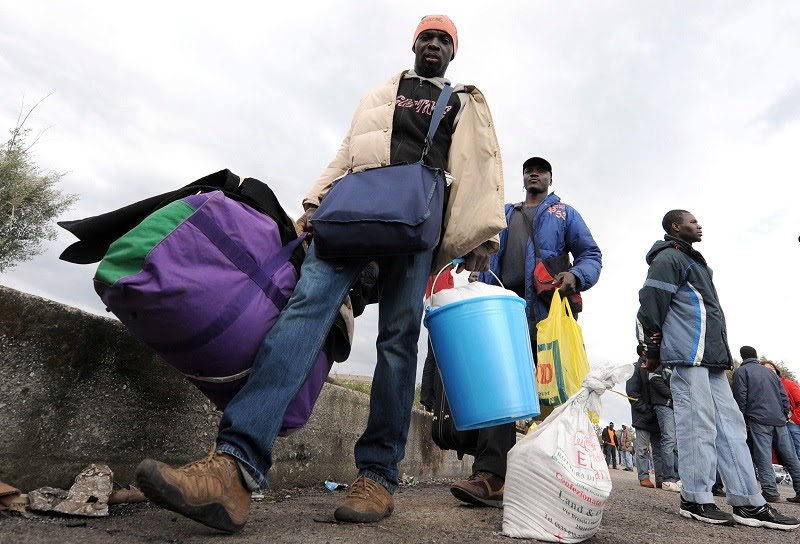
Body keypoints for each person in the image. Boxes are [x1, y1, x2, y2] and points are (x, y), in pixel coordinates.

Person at [134, 14, 506, 532]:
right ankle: (234, 467)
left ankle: (377, 475)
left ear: (453, 52)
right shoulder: (381, 93)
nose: (435, 45)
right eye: (428, 37)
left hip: (417, 221)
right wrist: (312, 203)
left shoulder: (462, 101)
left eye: (445, 40)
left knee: (398, 341)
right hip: (352, 213)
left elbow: (482, 166)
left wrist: (484, 237)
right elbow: (349, 153)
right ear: (414, 43)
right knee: (302, 313)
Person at [448, 156, 602, 508]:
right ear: (523, 178)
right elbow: (470, 245)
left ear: (549, 178)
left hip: (548, 317)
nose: (535, 173)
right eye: (529, 169)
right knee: (498, 392)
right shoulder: (502, 212)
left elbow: (591, 253)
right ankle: (491, 477)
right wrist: (466, 264)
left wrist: (576, 276)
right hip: (502, 313)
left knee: (555, 396)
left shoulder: (565, 213)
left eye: (542, 169)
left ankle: (562, 477)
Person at [636, 209, 799, 529]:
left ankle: (748, 501)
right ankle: (695, 497)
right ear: (675, 226)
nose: (699, 225)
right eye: (693, 221)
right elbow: (650, 302)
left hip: (711, 360)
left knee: (731, 428)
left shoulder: (692, 261)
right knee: (697, 427)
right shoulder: (669, 258)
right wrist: (651, 350)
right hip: (688, 357)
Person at [732, 348, 800, 504]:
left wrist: (741, 419)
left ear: (742, 356)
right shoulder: (770, 373)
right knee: (791, 457)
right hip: (778, 420)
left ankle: (771, 492)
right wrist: (783, 414)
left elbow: (740, 397)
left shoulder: (741, 372)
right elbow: (784, 397)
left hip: (758, 419)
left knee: (763, 457)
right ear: (755, 356)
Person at [627, 345, 665, 488]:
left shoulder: (657, 368)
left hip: (656, 416)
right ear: (643, 352)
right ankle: (643, 476)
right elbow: (632, 394)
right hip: (643, 417)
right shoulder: (635, 368)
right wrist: (645, 410)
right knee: (642, 449)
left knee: (659, 450)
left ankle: (661, 478)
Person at [642, 356, 681, 492]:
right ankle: (668, 478)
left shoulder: (673, 367)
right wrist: (673, 395)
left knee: (675, 443)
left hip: (673, 407)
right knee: (669, 440)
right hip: (664, 406)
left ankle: (676, 477)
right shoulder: (658, 368)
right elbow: (654, 379)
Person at [763, 361, 800, 460]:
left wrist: (794, 419)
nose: (770, 371)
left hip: (791, 424)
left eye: (772, 369)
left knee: (797, 452)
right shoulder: (763, 388)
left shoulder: (788, 384)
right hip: (774, 424)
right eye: (766, 369)